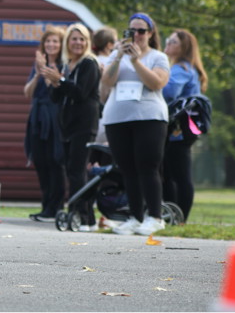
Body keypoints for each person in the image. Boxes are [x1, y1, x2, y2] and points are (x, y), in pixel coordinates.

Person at [100, 13, 170, 236]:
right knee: (127, 169)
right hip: (117, 118)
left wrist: (135, 61)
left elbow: (157, 83)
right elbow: (107, 81)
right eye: (132, 31)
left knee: (148, 166)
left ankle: (155, 217)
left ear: (150, 33)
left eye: (141, 31)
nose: (137, 35)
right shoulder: (115, 55)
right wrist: (120, 56)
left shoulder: (158, 57)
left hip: (149, 118)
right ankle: (135, 216)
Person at [43, 24, 101, 231]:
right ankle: (86, 218)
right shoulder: (67, 65)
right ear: (67, 42)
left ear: (87, 42)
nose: (78, 43)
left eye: (82, 39)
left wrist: (60, 80)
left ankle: (81, 216)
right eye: (74, 39)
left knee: (77, 170)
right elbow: (56, 97)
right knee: (72, 170)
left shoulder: (89, 64)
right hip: (67, 125)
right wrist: (54, 83)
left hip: (84, 124)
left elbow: (81, 93)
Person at [161, 29, 207, 222]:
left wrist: (153, 83)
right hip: (184, 129)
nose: (168, 44)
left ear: (183, 48)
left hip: (178, 129)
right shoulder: (187, 68)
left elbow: (169, 92)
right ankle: (173, 216)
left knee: (177, 175)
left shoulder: (181, 69)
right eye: (168, 40)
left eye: (173, 42)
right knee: (172, 173)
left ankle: (179, 219)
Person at [23, 27, 66, 221]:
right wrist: (38, 73)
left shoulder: (64, 64)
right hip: (38, 117)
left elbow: (60, 91)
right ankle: (46, 205)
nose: (51, 45)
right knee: (40, 161)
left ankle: (56, 207)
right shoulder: (38, 65)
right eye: (48, 41)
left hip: (55, 116)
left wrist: (50, 74)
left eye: (55, 41)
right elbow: (28, 92)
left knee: (54, 161)